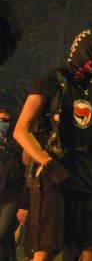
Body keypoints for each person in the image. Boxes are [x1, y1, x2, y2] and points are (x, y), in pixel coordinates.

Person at [13, 29, 92, 261]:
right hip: (53, 170)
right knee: (47, 248)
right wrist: (48, 164)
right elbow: (21, 129)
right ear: (84, 52)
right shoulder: (51, 80)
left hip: (86, 172)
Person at [0, 108, 25, 261]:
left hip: (13, 197)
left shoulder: (17, 143)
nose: (2, 123)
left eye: (5, 120)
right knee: (7, 240)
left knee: (2, 234)